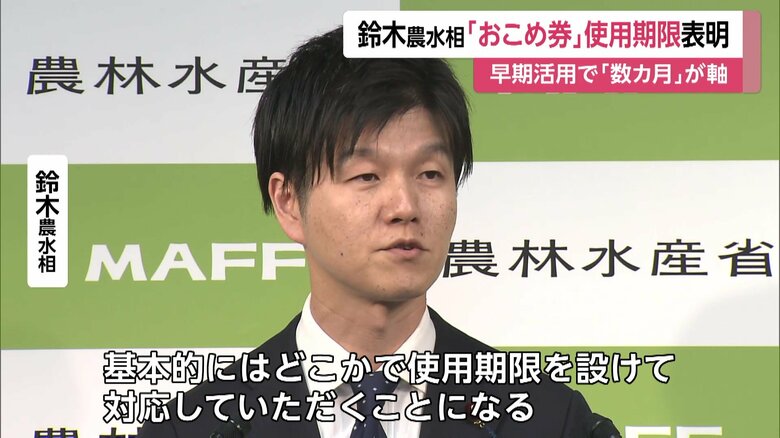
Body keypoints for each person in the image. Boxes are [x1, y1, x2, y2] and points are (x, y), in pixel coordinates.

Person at [138, 26, 613, 438]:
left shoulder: (547, 420)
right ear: (289, 202)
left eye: (430, 174)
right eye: (367, 175)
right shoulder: (199, 426)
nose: (405, 207)